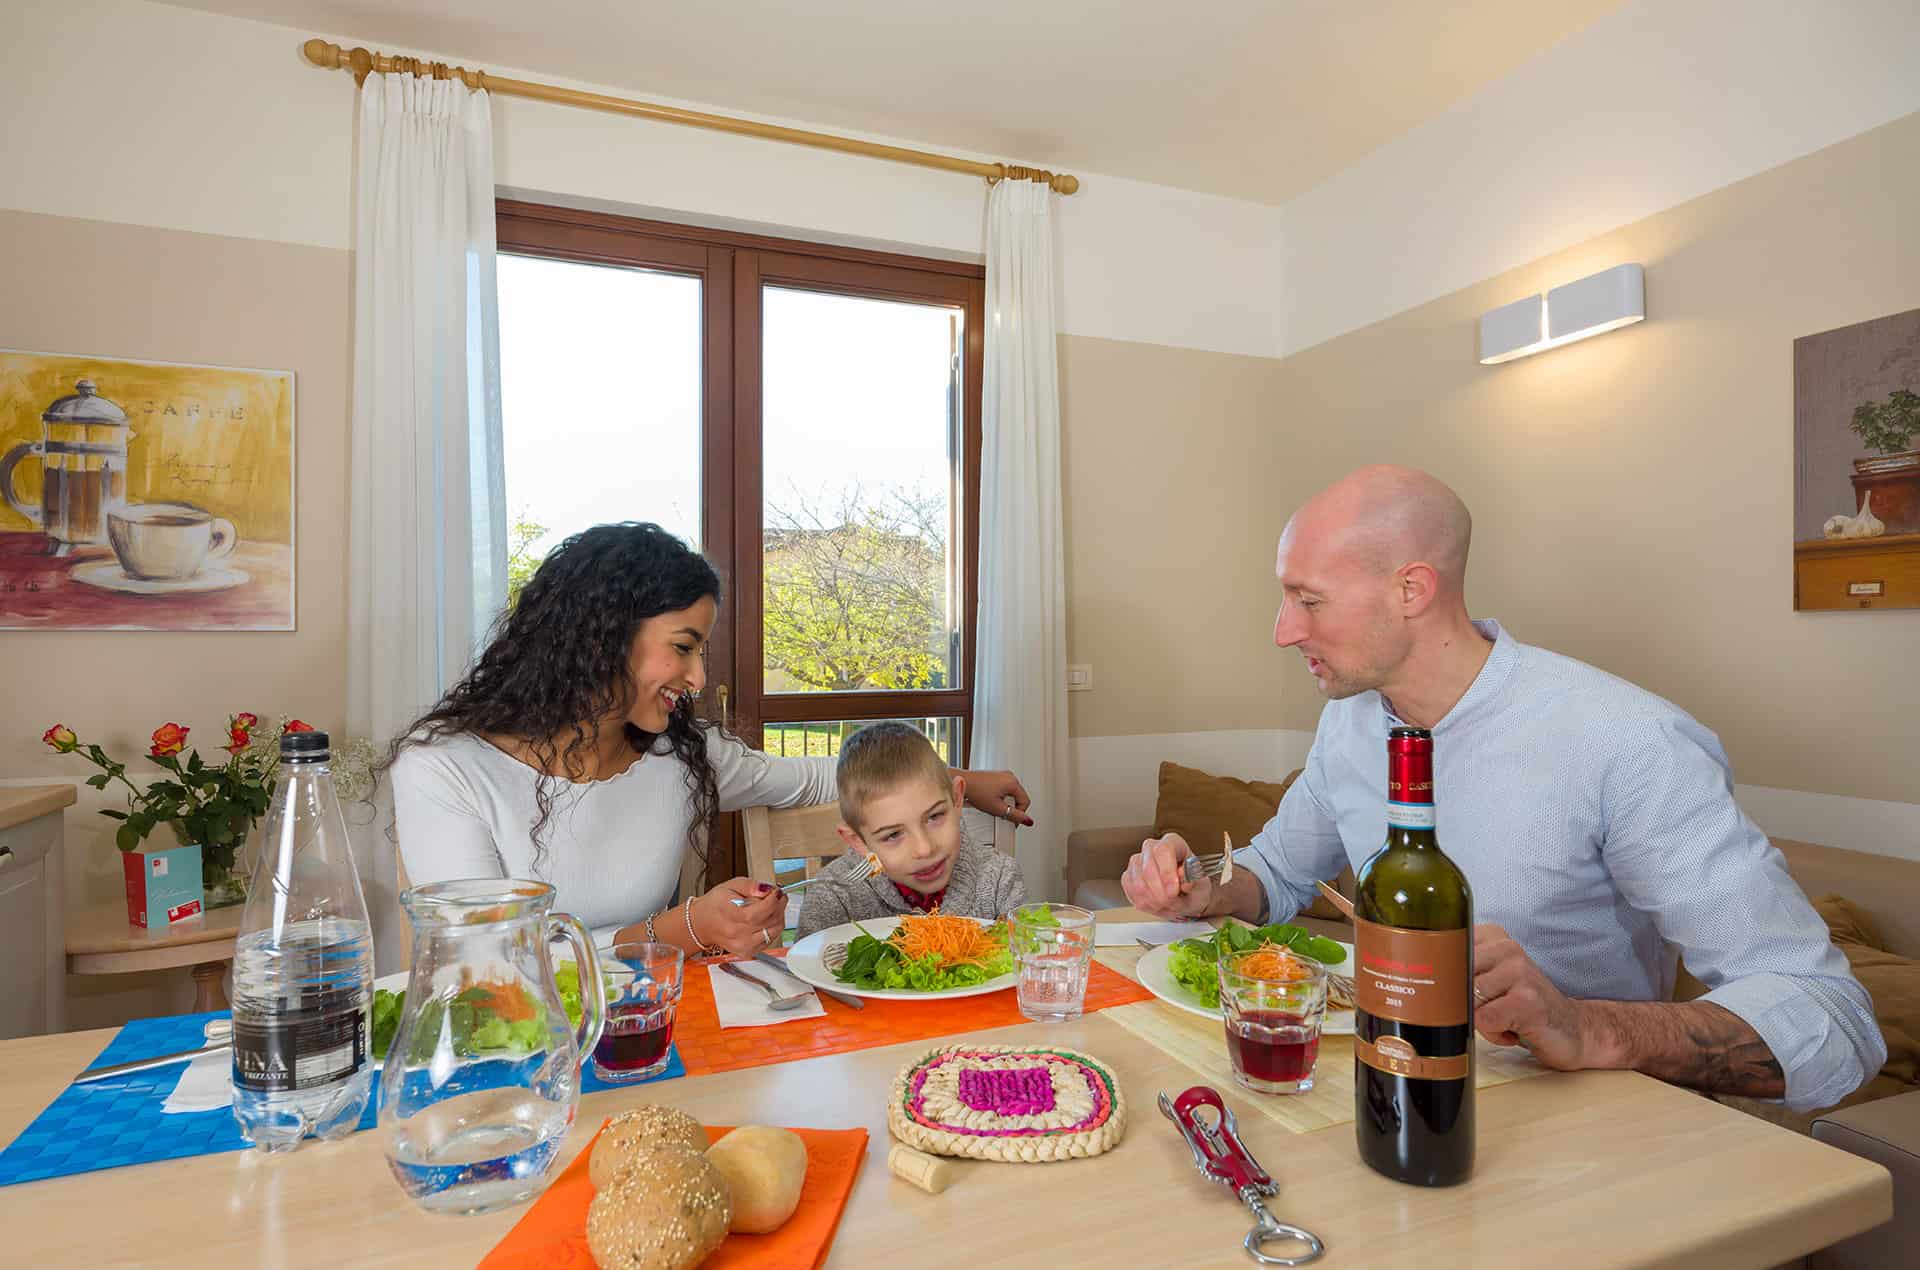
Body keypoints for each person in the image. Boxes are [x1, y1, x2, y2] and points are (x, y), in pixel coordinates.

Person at [1122, 466, 1883, 1112]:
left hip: (1586, 1127)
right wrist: (1205, 888)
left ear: (1412, 587)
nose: (1284, 631)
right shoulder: (1352, 724)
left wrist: (1585, 1026)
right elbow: (1279, 875)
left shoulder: (1626, 741)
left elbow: (1834, 1020)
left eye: (1308, 599)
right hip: (1381, 1090)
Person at [387, 522, 1032, 957]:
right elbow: (482, 967)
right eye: (684, 648)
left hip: (656, 1024)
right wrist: (682, 928)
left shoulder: (678, 754)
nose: (697, 678)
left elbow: (815, 777)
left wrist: (960, 784)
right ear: (599, 637)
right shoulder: (444, 768)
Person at [792, 721, 1027, 939]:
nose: (924, 849)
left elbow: (1028, 969)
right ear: (858, 841)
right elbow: (807, 979)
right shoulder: (833, 895)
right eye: (893, 835)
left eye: (935, 817)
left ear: (956, 798)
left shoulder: (999, 879)